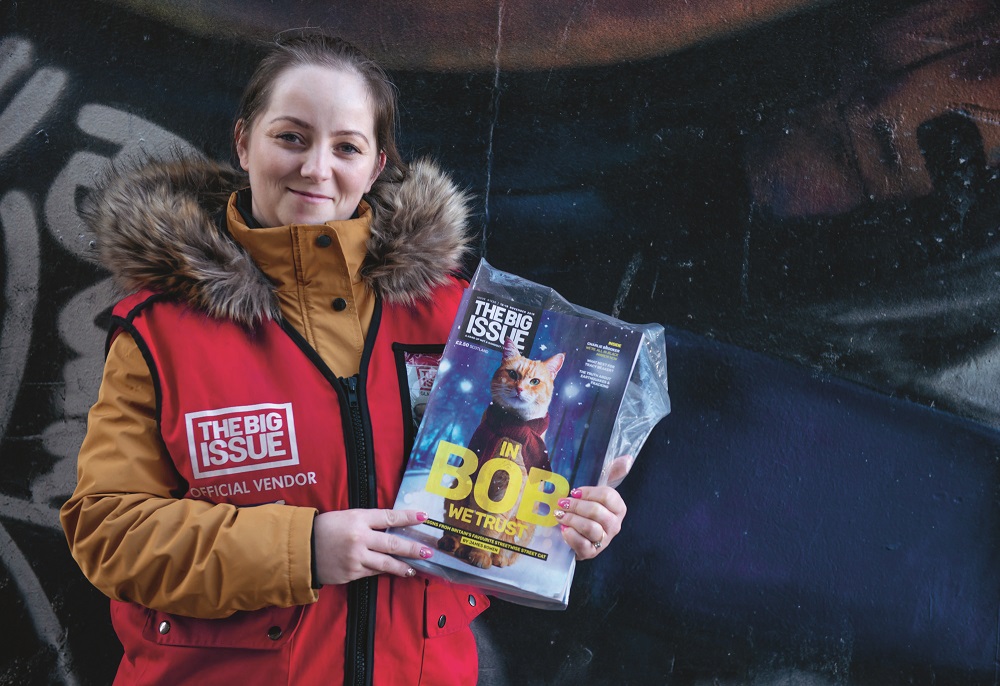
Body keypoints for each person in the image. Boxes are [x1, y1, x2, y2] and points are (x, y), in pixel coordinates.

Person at [60, 32, 628, 686]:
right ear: (244, 141)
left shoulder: (461, 322)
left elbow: (491, 513)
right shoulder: (162, 331)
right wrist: (303, 549)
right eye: (291, 137)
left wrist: (569, 520)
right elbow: (109, 533)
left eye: (347, 147)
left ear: (377, 164)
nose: (316, 168)